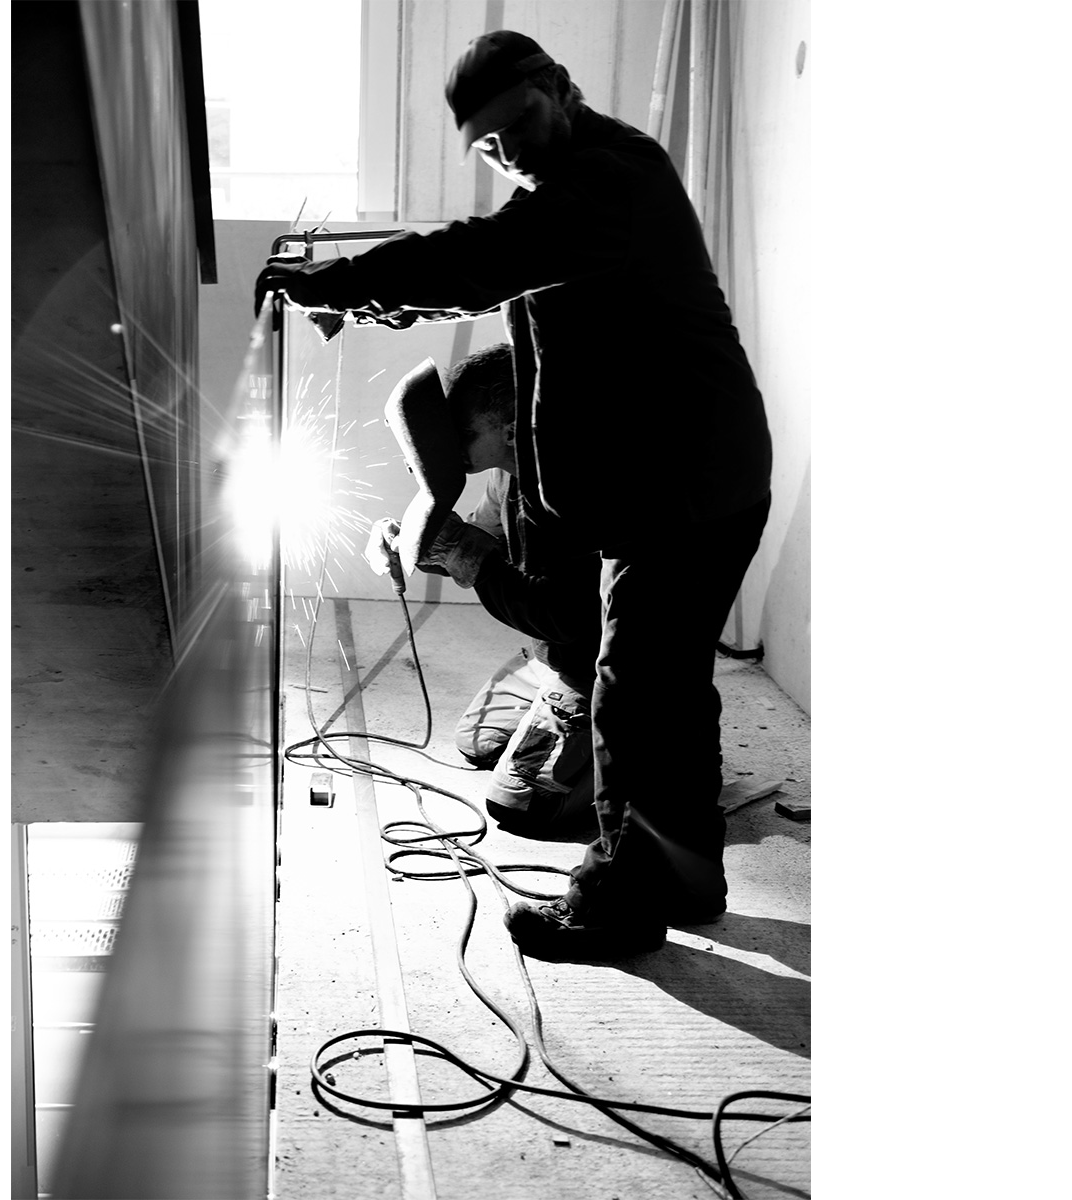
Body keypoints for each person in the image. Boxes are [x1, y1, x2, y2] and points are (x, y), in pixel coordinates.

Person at [256, 30, 772, 961]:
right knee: (669, 690)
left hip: (685, 490)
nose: (509, 151)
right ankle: (690, 882)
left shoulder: (611, 178)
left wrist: (347, 285)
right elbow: (492, 273)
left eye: (518, 123)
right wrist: (382, 300)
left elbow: (481, 257)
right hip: (688, 480)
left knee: (632, 699)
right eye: (488, 146)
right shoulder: (569, 194)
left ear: (559, 88)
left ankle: (619, 906)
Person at [364, 344, 601, 836]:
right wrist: (413, 544)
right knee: (480, 742)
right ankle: (561, 706)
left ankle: (652, 739)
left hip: (598, 662)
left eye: (465, 431)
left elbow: (563, 617)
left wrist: (462, 551)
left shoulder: (574, 487)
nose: (451, 441)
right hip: (555, 653)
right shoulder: (507, 474)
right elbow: (483, 542)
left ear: (511, 428)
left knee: (523, 804)